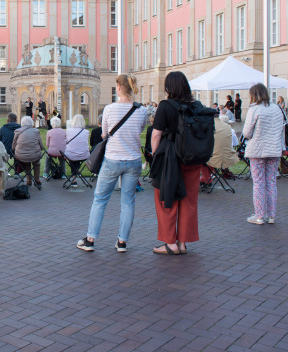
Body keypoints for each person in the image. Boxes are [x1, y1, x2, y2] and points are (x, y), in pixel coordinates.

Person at [77, 74, 148, 253]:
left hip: (113, 159)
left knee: (100, 199)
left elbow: (104, 134)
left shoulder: (109, 109)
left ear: (118, 87)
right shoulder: (141, 110)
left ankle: (91, 239)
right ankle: (122, 242)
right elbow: (140, 129)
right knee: (128, 202)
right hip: (133, 160)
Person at [150, 71, 204, 255]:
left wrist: (155, 154)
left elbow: (156, 134)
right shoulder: (196, 105)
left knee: (166, 198)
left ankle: (170, 243)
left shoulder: (165, 106)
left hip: (170, 157)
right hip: (192, 156)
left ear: (168, 87)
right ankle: (182, 243)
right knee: (189, 201)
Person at [242, 84, 285, 225]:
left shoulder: (254, 109)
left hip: (257, 150)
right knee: (271, 182)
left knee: (259, 183)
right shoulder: (277, 108)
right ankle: (271, 215)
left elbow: (246, 133)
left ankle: (259, 215)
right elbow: (281, 129)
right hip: (274, 149)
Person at [200, 112, 239, 185]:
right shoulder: (227, 126)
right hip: (227, 156)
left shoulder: (209, 126)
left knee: (202, 159)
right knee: (209, 159)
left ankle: (207, 180)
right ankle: (204, 179)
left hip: (216, 157)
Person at [11, 115, 44, 186]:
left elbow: (13, 146)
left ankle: (29, 180)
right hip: (34, 155)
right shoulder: (36, 131)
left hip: (21, 155)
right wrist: (40, 149)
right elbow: (41, 145)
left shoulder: (17, 131)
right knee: (36, 163)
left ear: (22, 123)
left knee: (27, 164)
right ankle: (37, 179)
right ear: (31, 123)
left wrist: (15, 150)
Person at [65, 114, 91, 186]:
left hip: (71, 155)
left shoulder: (68, 131)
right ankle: (77, 171)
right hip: (83, 155)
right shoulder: (86, 132)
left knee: (73, 156)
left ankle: (74, 178)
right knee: (76, 155)